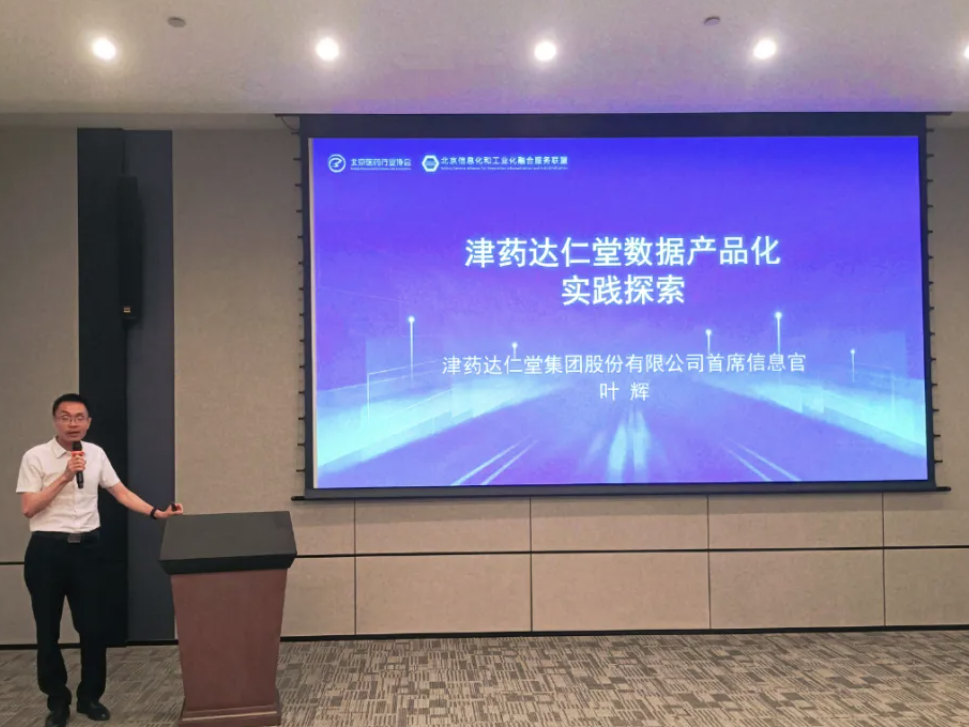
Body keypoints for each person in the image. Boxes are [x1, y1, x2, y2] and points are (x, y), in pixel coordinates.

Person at [17, 394, 184, 727]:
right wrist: (64, 476)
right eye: (65, 417)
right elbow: (29, 508)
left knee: (93, 628)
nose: (73, 423)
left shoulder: (95, 454)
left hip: (89, 551)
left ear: (89, 422)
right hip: (47, 552)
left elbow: (120, 492)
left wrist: (157, 513)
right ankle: (57, 702)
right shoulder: (35, 456)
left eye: (79, 417)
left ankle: (90, 697)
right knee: (47, 630)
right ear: (55, 421)